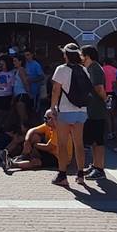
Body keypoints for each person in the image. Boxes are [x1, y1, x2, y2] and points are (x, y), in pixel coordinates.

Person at [50, 43, 91, 187]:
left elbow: (56, 90)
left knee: (62, 144)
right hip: (81, 111)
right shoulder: (84, 70)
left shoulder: (61, 69)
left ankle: (62, 175)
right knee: (78, 144)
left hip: (66, 111)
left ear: (66, 55)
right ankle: (80, 175)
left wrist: (52, 107)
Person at [80, 45, 108, 180]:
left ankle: (100, 168)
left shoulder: (95, 68)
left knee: (98, 140)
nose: (80, 57)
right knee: (93, 141)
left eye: (82, 55)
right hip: (91, 109)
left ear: (87, 56)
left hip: (97, 109)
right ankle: (95, 165)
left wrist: (105, 99)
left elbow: (99, 88)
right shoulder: (89, 68)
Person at [0, 56, 14, 136]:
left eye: (2, 64)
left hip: (7, 95)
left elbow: (12, 86)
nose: (1, 66)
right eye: (0, 64)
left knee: (6, 114)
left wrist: (12, 99)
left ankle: (4, 131)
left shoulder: (11, 74)